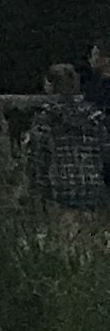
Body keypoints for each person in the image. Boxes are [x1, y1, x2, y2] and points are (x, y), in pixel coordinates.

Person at [28, 63, 110, 227]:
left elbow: (37, 159)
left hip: (61, 194)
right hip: (93, 192)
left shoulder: (46, 119)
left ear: (49, 86)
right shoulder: (95, 117)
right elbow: (106, 152)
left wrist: (40, 192)